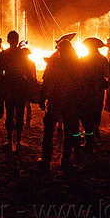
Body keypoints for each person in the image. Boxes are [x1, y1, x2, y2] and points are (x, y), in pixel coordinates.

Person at [39, 39, 81, 171]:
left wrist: (41, 97)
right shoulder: (77, 64)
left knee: (48, 130)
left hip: (56, 99)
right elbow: (81, 84)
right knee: (69, 131)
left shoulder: (54, 64)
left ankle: (46, 160)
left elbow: (46, 82)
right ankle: (65, 160)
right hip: (71, 101)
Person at [0, 31, 35, 151]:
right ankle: (18, 142)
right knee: (20, 114)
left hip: (9, 87)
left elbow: (1, 71)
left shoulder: (4, 54)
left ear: (8, 40)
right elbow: (26, 69)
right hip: (20, 87)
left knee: (9, 115)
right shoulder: (22, 54)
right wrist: (32, 82)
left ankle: (10, 141)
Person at [79, 37, 108, 159]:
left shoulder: (83, 59)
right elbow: (107, 73)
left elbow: (78, 75)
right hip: (98, 90)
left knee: (86, 113)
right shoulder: (103, 59)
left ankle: (88, 138)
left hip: (86, 91)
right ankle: (95, 131)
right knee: (97, 110)